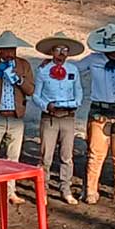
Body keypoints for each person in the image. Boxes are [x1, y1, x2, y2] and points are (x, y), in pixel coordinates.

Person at [74, 23, 115, 204]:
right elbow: (74, 69)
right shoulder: (92, 60)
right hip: (100, 110)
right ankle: (90, 190)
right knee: (95, 153)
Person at [0, 31, 36, 205]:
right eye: (7, 49)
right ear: (0, 49)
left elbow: (31, 90)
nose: (10, 52)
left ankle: (11, 191)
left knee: (13, 157)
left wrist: (19, 80)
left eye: (12, 49)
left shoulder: (23, 66)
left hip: (16, 116)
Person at [33, 32, 84, 205]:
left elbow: (78, 90)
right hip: (50, 117)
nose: (62, 53)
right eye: (58, 49)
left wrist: (77, 102)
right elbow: (35, 95)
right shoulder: (43, 70)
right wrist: (46, 106)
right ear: (52, 52)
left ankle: (66, 189)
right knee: (46, 156)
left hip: (68, 117)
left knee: (67, 155)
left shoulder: (73, 69)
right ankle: (43, 190)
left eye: (65, 50)